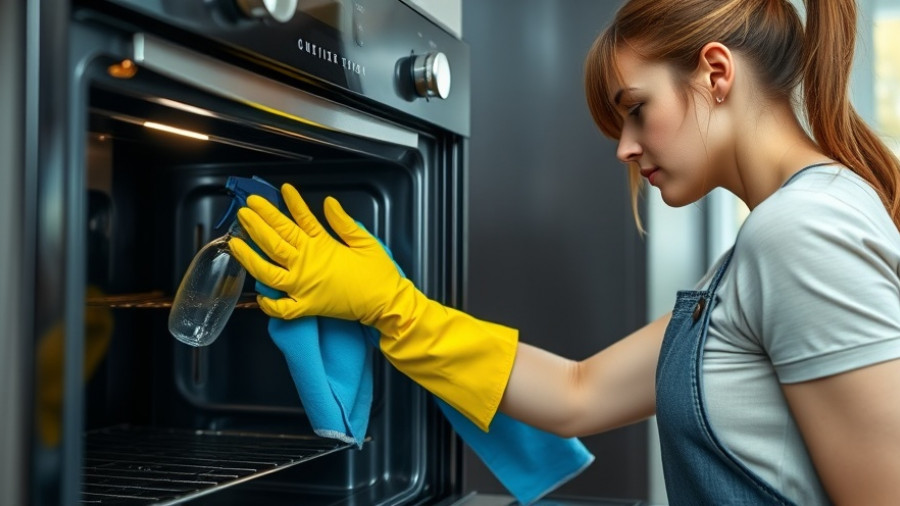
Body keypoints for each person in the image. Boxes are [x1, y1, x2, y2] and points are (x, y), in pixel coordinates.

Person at [228, 0, 900, 503]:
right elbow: (579, 392)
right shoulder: (763, 246)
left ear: (716, 73)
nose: (624, 148)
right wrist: (396, 308)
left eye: (635, 108)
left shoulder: (801, 233)